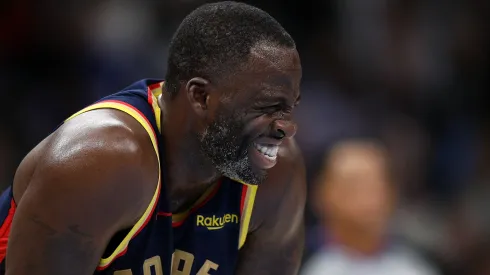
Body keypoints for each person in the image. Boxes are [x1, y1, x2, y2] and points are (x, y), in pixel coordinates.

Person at [0, 2, 306, 275]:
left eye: (289, 108)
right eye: (267, 107)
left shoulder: (278, 175)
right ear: (201, 97)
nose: (286, 127)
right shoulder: (99, 162)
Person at [301, 139, 438, 275]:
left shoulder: (417, 265)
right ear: (321, 194)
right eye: (354, 186)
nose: (369, 197)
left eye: (378, 184)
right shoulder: (296, 263)